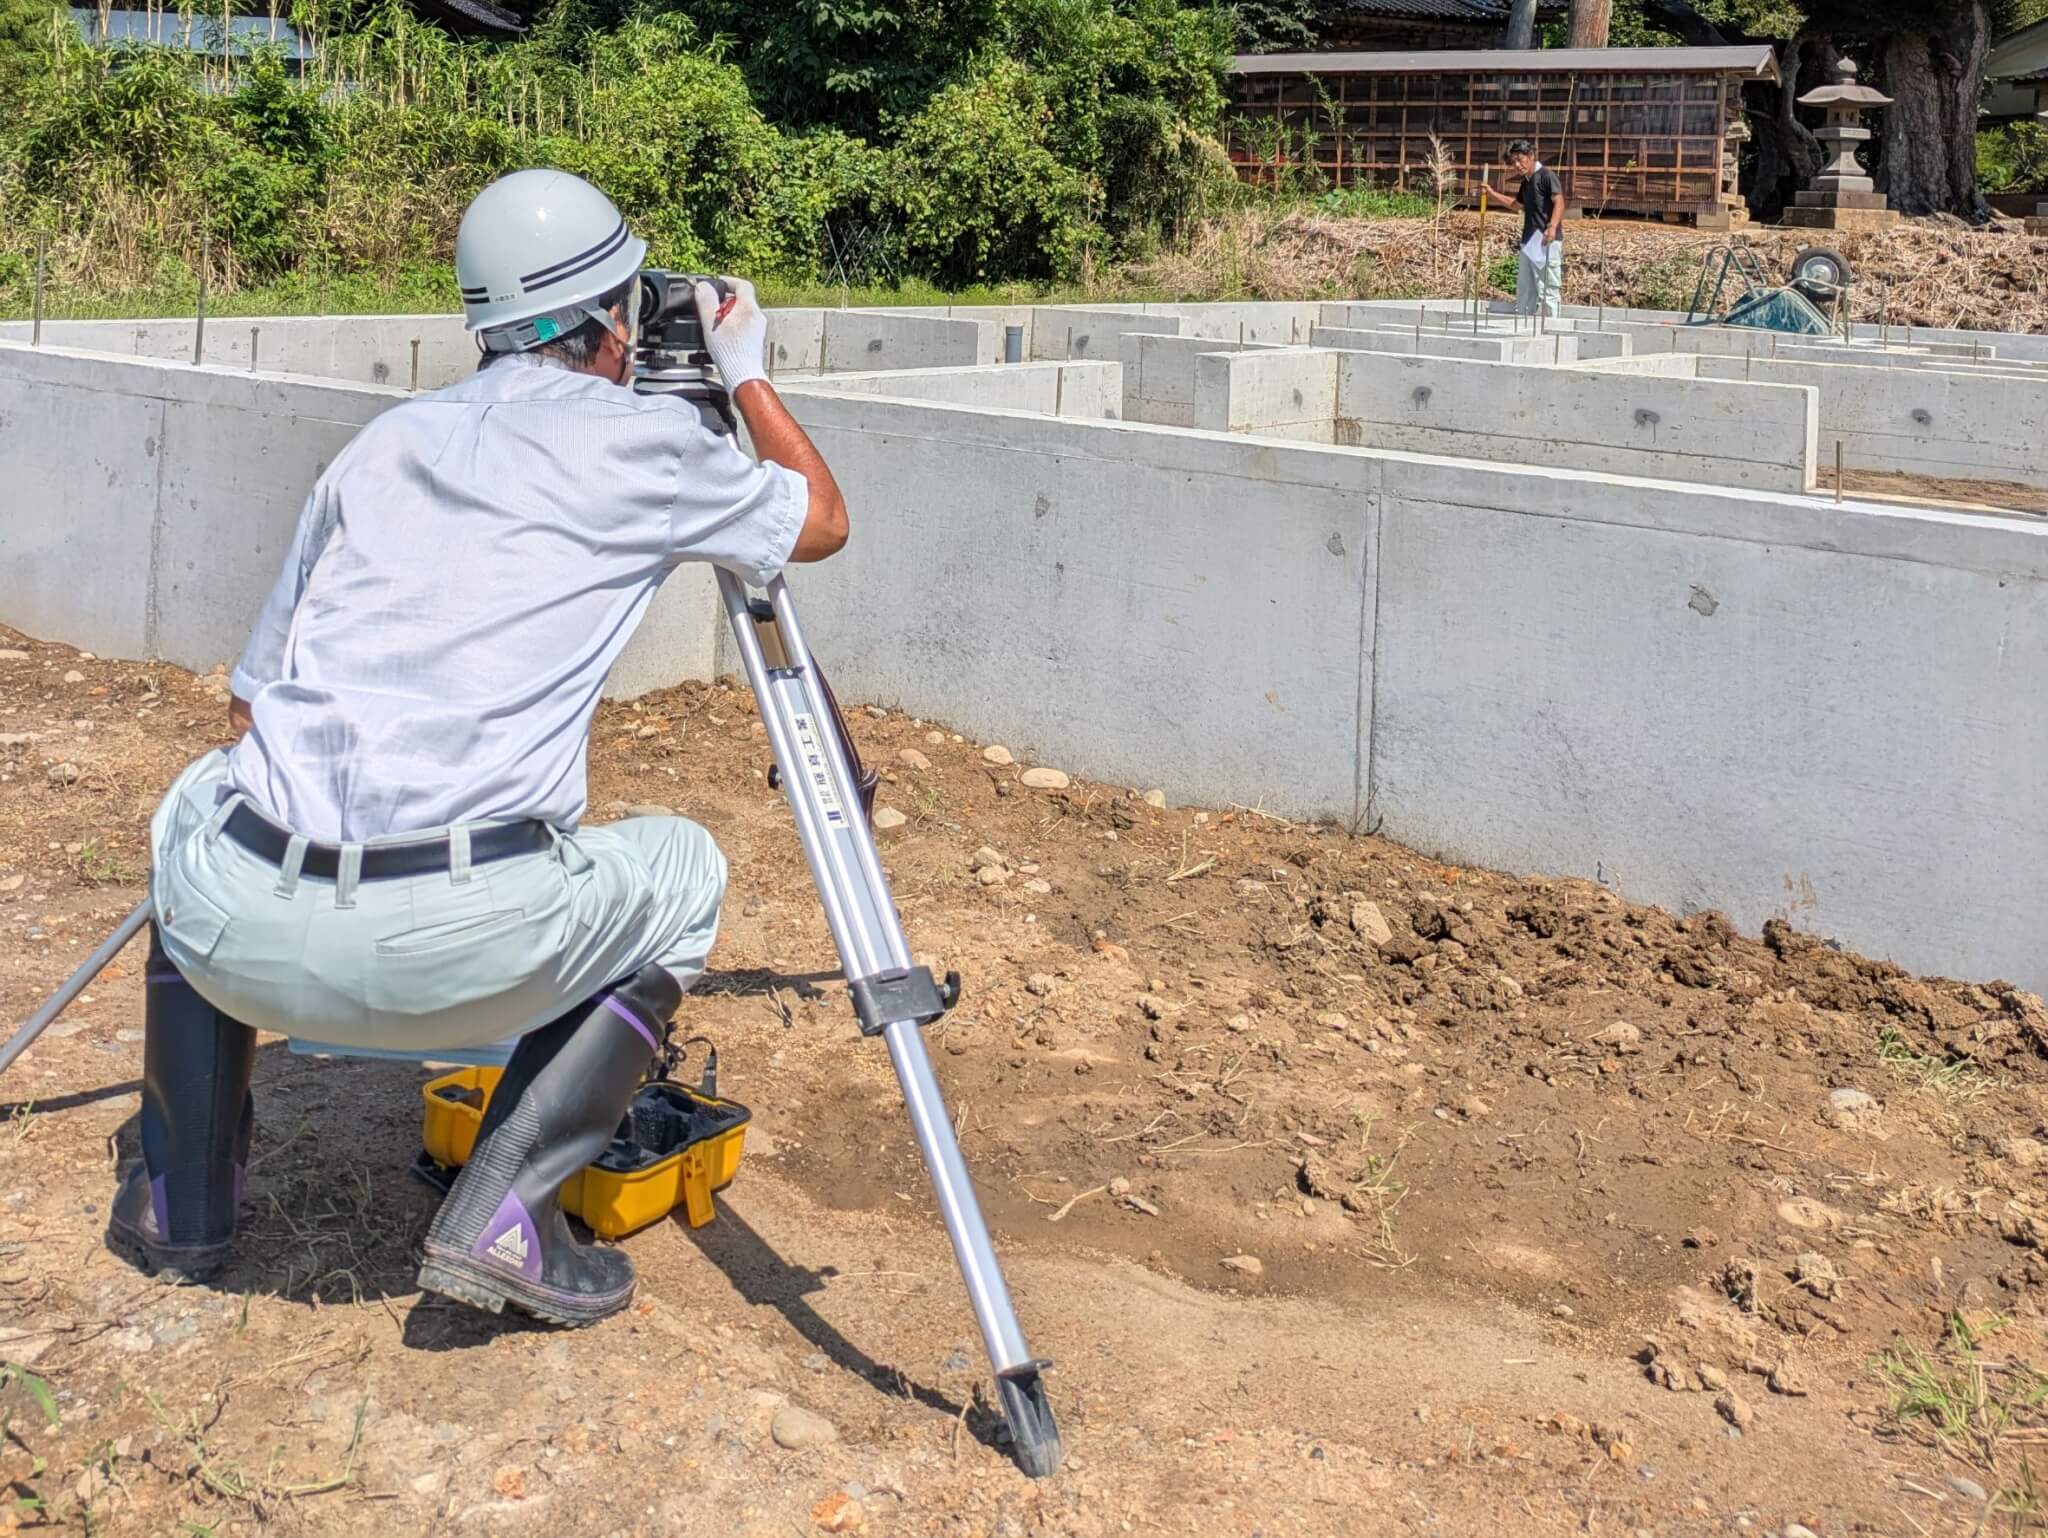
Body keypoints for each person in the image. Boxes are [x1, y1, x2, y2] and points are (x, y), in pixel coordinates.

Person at [108, 168, 849, 1326]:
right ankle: (508, 1212)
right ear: (616, 315)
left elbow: (252, 710)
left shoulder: (379, 444)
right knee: (684, 867)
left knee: (200, 806)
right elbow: (817, 523)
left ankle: (178, 1200)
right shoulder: (649, 445)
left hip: (238, 931)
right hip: (457, 948)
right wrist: (743, 369)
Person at [1482, 139, 1564, 319]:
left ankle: (1553, 327)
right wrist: (1492, 194)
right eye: (1514, 162)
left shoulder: (1546, 176)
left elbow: (1559, 201)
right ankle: (1524, 326)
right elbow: (1516, 205)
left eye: (1520, 159)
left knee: (1548, 287)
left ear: (1531, 156)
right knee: (1526, 288)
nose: (1517, 165)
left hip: (1546, 241)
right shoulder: (1526, 183)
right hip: (1529, 243)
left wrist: (1552, 226)